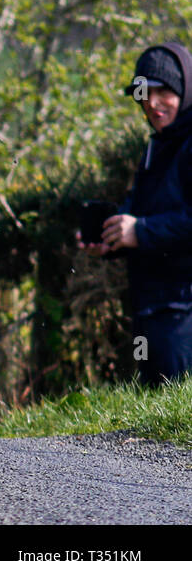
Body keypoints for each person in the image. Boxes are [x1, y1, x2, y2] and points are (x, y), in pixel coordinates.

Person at [83, 42, 192, 385]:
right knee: (159, 420)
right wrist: (115, 239)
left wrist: (140, 231)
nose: (153, 103)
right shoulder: (159, 144)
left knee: (175, 427)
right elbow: (148, 210)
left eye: (164, 92)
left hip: (183, 312)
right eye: (145, 93)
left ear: (185, 90)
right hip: (156, 309)